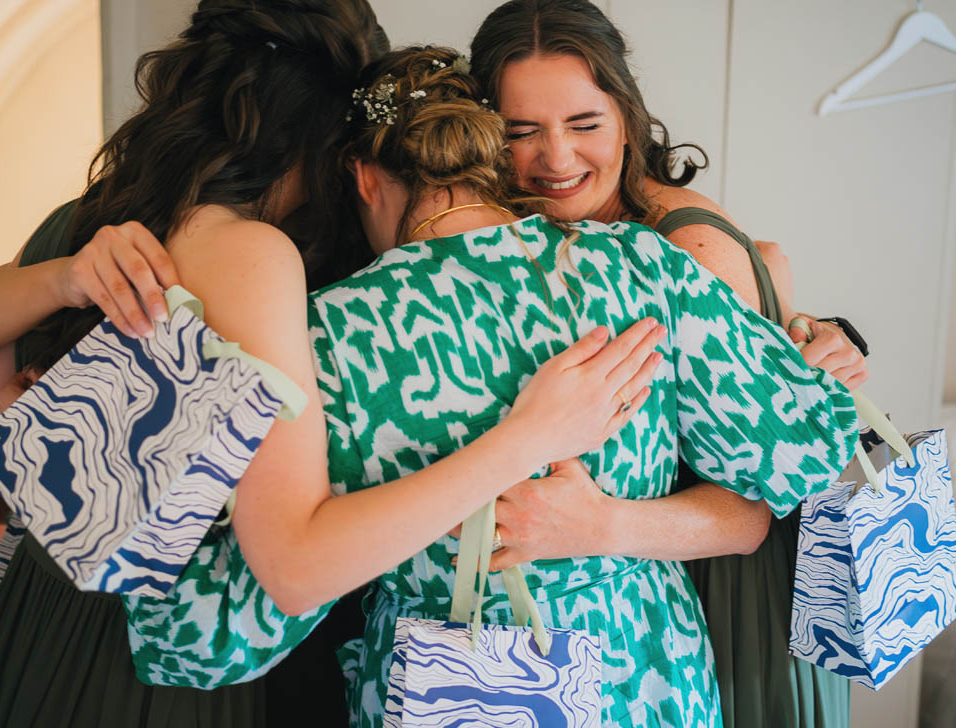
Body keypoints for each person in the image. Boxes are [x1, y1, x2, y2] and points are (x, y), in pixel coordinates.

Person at [0, 0, 661, 728]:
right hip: (165, 657)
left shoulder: (87, 230)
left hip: (33, 627)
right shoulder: (287, 270)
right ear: (333, 144)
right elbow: (296, 558)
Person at [296, 46, 857, 727]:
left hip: (443, 682)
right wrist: (799, 344)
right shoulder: (644, 266)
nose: (558, 157)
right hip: (644, 671)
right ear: (491, 152)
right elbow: (805, 453)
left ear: (361, 176)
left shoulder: (328, 325)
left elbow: (223, 629)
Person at [468, 0, 868, 728]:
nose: (555, 158)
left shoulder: (683, 249)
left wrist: (595, 527)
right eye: (522, 132)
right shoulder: (560, 240)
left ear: (625, 119)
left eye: (584, 124)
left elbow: (744, 511)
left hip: (722, 599)